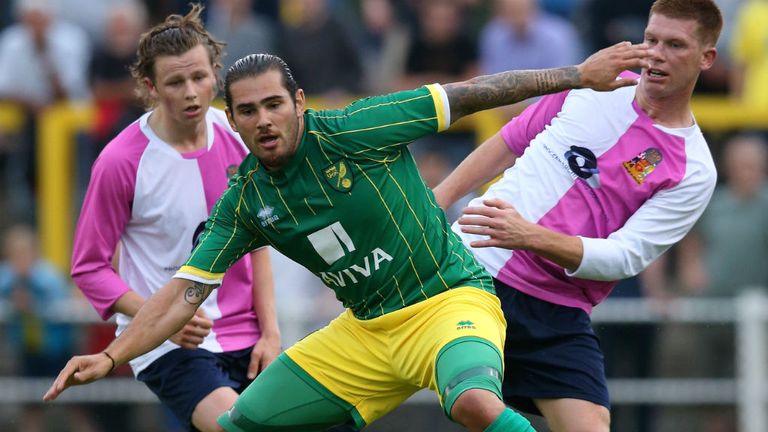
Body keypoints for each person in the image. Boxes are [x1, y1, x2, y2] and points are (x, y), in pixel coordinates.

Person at [43, 41, 650, 431]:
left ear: (299, 102)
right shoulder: (247, 199)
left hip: (449, 301)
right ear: (235, 117)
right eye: (248, 111)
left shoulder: (356, 128)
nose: (263, 120)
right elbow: (183, 293)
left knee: (473, 403)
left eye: (274, 104)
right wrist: (111, 354)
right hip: (366, 332)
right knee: (236, 427)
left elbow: (473, 94)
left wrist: (577, 74)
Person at [432, 1, 722, 431]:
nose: (656, 54)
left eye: (675, 45)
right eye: (651, 40)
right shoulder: (595, 84)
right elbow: (507, 143)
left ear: (706, 57)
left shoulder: (693, 168)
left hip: (557, 310)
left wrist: (530, 236)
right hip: (471, 270)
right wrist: (432, 206)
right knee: (467, 400)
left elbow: (625, 258)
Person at [64, 5, 280, 432]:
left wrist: (272, 335)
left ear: (216, 73)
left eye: (199, 77)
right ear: (150, 87)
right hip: (167, 345)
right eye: (175, 82)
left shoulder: (239, 139)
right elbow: (88, 267)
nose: (191, 92)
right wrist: (162, 320)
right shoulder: (121, 162)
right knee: (232, 426)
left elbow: (258, 245)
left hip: (248, 336)